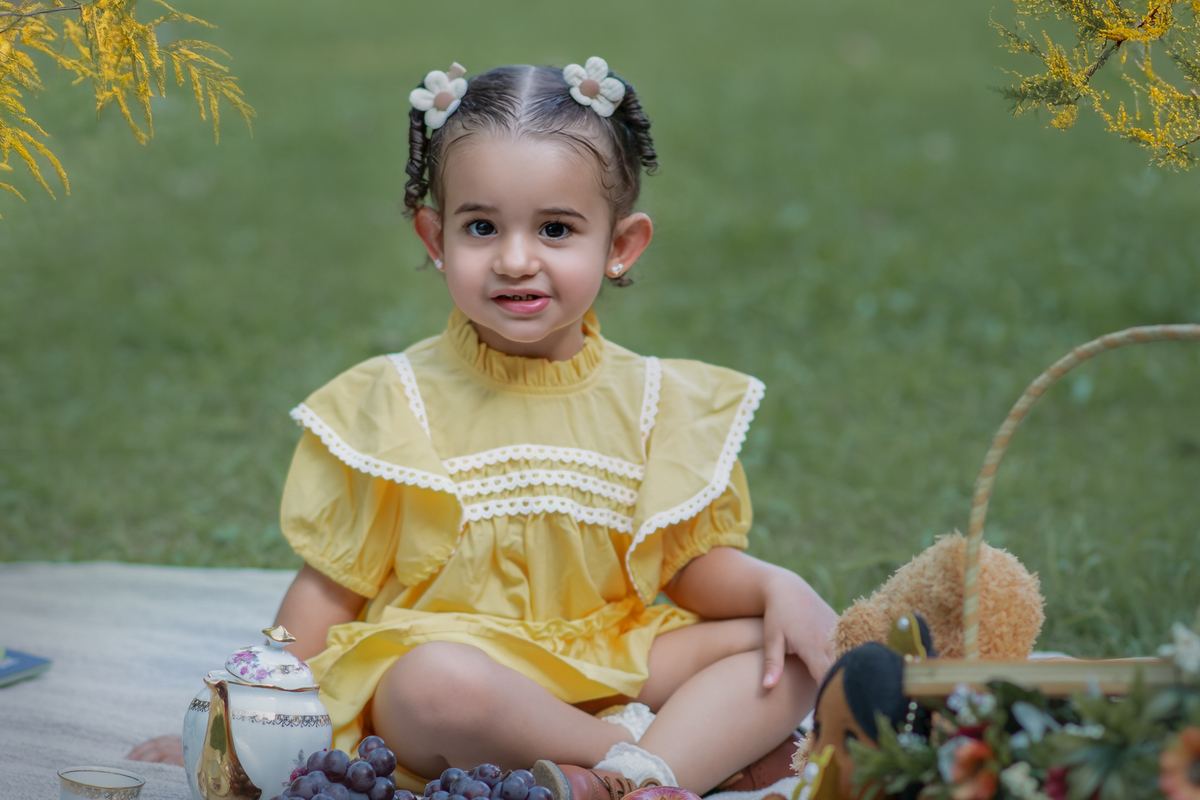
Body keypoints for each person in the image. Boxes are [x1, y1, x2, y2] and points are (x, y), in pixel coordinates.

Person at [134, 57, 838, 800]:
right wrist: (242, 720)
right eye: (481, 226)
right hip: (466, 680)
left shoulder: (657, 399)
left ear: (621, 245)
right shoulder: (394, 400)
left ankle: (608, 782)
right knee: (431, 684)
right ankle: (656, 764)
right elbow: (329, 592)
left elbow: (686, 567)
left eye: (557, 229)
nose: (514, 260)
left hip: (611, 661)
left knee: (785, 648)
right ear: (436, 237)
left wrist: (776, 586)